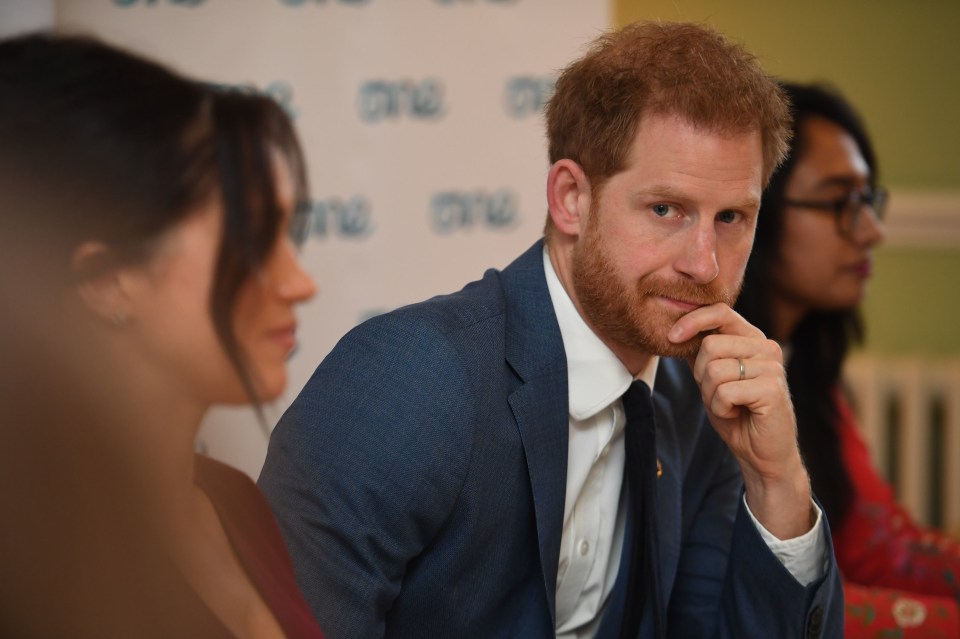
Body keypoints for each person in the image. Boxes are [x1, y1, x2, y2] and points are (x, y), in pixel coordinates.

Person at [259, 21, 843, 638]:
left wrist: (778, 481)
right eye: (665, 209)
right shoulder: (410, 381)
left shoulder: (701, 406)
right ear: (570, 198)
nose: (705, 263)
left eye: (731, 217)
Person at [0, 34, 324, 638]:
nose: (299, 282)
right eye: (253, 239)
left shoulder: (237, 505)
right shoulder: (34, 577)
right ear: (108, 278)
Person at [735, 81, 960, 637]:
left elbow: (880, 547)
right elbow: (769, 606)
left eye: (869, 200)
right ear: (755, 211)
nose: (872, 231)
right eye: (840, 202)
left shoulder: (809, 371)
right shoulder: (714, 380)